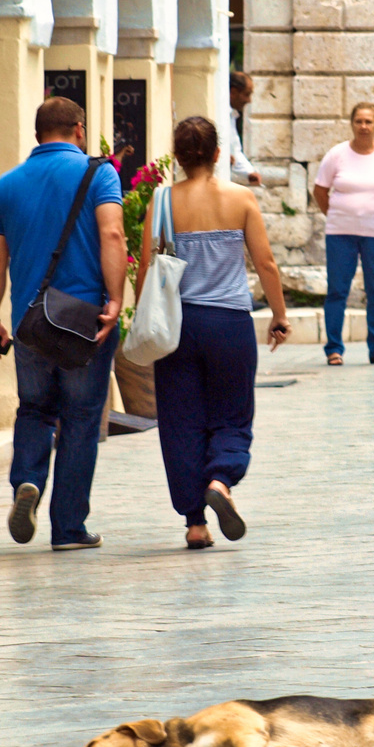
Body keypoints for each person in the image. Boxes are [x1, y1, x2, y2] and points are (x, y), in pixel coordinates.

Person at [136, 117, 292, 550]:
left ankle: (195, 523)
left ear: (179, 157)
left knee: (181, 421)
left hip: (177, 328)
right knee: (232, 413)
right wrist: (279, 315)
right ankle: (221, 480)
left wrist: (141, 317)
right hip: (229, 325)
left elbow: (147, 268)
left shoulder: (162, 200)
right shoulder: (240, 199)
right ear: (218, 154)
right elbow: (266, 265)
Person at [0, 97, 127, 551]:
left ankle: (27, 482)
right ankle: (68, 528)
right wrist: (116, 298)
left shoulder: (6, 185)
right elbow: (112, 234)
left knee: (35, 409)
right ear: (78, 131)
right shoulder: (99, 173)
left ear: (38, 133)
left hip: (30, 324)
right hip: (86, 323)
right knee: (81, 420)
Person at [314, 103, 374, 367]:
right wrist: (339, 214)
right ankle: (334, 349)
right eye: (358, 121)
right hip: (340, 233)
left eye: (368, 121)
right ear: (352, 124)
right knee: (336, 291)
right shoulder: (337, 155)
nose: (363, 126)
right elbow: (320, 191)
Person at [226, 72, 262, 185]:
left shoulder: (231, 115)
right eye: (247, 94)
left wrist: (249, 172)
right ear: (233, 92)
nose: (249, 100)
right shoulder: (219, 112)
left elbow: (234, 150)